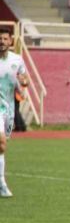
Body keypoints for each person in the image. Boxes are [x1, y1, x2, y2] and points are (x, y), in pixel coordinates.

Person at [0, 28, 29, 198]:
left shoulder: (17, 60)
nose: (2, 41)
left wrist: (23, 84)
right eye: (0, 38)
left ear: (10, 41)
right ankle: (2, 183)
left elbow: (24, 79)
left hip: (9, 107)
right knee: (1, 142)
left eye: (5, 39)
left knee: (2, 147)